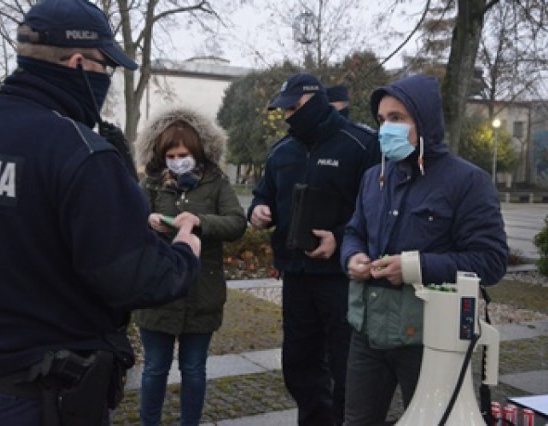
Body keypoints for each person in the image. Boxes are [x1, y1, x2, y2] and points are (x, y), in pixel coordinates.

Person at [0, 1, 202, 425]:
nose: (106, 79)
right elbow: (136, 278)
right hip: (48, 399)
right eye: (106, 67)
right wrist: (185, 250)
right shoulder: (80, 151)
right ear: (78, 62)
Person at [341, 74, 508, 425]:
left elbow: (491, 261)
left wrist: (415, 267)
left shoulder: (467, 181)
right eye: (382, 120)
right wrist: (351, 257)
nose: (386, 128)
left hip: (431, 338)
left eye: (398, 118)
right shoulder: (374, 177)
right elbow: (355, 231)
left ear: (426, 121)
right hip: (368, 331)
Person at [248, 73, 381, 426]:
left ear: (316, 100)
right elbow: (265, 193)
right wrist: (258, 210)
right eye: (285, 109)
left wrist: (340, 238)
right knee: (299, 360)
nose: (289, 114)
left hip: (341, 277)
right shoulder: (282, 150)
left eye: (295, 106)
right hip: (296, 274)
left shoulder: (361, 144)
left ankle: (346, 419)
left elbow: (378, 210)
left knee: (346, 362)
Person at [134, 107, 247, 425]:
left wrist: (199, 221)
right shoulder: (152, 184)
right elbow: (127, 223)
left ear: (197, 151)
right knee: (154, 368)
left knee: (194, 369)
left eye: (183, 153)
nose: (177, 159)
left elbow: (237, 223)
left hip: (202, 292)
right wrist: (148, 221)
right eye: (170, 154)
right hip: (157, 292)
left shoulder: (216, 182)